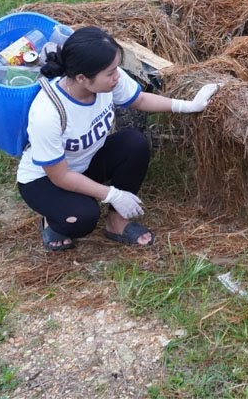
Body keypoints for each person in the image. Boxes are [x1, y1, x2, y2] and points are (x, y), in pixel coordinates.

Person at [16, 26, 218, 251]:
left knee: (134, 144)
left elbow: (139, 100)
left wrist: (187, 106)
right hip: (46, 179)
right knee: (83, 218)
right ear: (82, 78)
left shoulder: (107, 81)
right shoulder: (47, 113)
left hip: (84, 163)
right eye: (110, 72)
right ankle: (52, 218)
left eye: (116, 68)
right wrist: (112, 194)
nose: (117, 76)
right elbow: (61, 176)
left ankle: (117, 223)